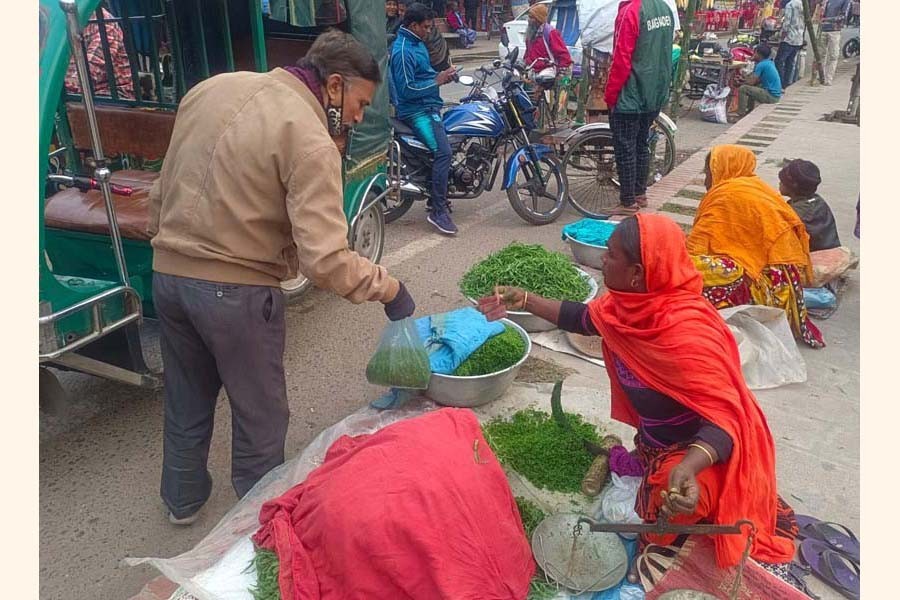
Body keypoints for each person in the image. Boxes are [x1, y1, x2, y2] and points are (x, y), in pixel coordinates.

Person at [148, 30, 416, 525]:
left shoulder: (211, 89)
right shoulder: (310, 137)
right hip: (237, 293)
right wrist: (390, 288)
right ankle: (257, 521)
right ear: (333, 86)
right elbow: (327, 261)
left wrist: (166, 248)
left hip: (168, 278)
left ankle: (181, 501)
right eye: (359, 103)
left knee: (186, 396)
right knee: (261, 414)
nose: (359, 117)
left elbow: (160, 191)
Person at [475, 214, 799, 582]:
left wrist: (690, 466)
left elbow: (728, 420)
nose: (601, 261)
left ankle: (668, 539)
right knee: (657, 494)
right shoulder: (626, 308)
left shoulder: (687, 333)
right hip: (655, 444)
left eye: (611, 255)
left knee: (673, 499)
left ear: (636, 273)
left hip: (700, 450)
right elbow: (583, 318)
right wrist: (526, 299)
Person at [687, 145, 824, 348]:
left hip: (764, 286)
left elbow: (695, 249)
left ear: (721, 170)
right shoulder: (754, 186)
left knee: (686, 269)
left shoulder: (727, 195)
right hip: (781, 288)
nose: (706, 180)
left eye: (708, 172)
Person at [389, 4, 459, 235]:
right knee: (444, 153)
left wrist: (445, 76)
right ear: (413, 25)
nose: (429, 31)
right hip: (416, 111)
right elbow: (407, 89)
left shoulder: (417, 43)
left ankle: (438, 194)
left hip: (429, 105)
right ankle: (438, 210)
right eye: (426, 27)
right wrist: (437, 81)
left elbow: (425, 75)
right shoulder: (402, 50)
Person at [604, 0, 674, 215]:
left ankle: (627, 201)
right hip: (654, 92)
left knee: (625, 147)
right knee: (641, 144)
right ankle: (640, 193)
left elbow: (621, 57)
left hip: (631, 93)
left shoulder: (631, 10)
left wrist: (611, 93)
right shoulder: (665, 9)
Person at [64, 6, 135, 100]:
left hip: (110, 94)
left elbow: (92, 68)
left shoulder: (104, 22)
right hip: (75, 92)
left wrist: (54, 87)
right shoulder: (61, 23)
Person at [779, 159, 842, 252]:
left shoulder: (793, 213)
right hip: (831, 249)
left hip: (813, 258)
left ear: (792, 186)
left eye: (782, 181)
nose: (779, 183)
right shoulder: (818, 201)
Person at [523, 4, 572, 76]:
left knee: (543, 78)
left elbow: (563, 54)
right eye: (529, 17)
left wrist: (562, 71)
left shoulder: (550, 32)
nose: (529, 20)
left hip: (547, 68)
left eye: (532, 17)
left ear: (538, 18)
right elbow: (527, 52)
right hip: (531, 67)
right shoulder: (531, 32)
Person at [734, 44, 782, 119]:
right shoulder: (769, 62)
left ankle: (740, 114)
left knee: (743, 89)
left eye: (755, 53)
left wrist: (740, 83)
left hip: (771, 96)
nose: (753, 55)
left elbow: (751, 82)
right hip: (775, 95)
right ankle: (749, 110)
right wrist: (743, 80)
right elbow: (757, 80)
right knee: (751, 87)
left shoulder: (761, 65)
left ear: (759, 54)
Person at [819, 0, 851, 85]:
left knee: (833, 55)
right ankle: (821, 76)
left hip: (835, 30)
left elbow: (844, 16)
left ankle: (829, 78)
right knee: (821, 54)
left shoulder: (845, 1)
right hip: (824, 29)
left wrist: (826, 19)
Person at [774, 0, 805, 88]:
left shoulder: (790, 5)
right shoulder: (802, 4)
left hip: (789, 38)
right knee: (790, 62)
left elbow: (787, 23)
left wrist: (782, 36)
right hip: (798, 38)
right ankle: (786, 83)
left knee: (779, 61)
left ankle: (780, 83)